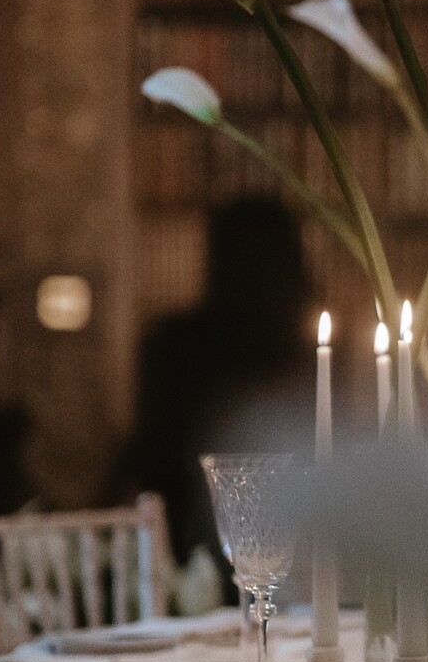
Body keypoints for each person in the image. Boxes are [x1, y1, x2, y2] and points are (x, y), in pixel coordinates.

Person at [120, 197, 314, 560]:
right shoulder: (181, 345)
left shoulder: (310, 356)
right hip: (195, 541)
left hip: (290, 540)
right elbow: (159, 454)